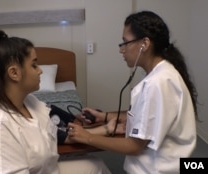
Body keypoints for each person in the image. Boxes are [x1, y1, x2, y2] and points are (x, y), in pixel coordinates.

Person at [0, 30, 115, 174]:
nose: (40, 70)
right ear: (14, 73)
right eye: (34, 65)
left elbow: (55, 133)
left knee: (95, 165)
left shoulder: (30, 102)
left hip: (47, 170)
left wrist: (105, 130)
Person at [68, 11, 198, 174]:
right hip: (170, 165)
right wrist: (104, 116)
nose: (121, 50)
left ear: (144, 43)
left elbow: (134, 146)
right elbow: (145, 117)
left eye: (125, 42)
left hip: (158, 169)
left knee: (93, 164)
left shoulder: (156, 84)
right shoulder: (163, 74)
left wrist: (87, 136)